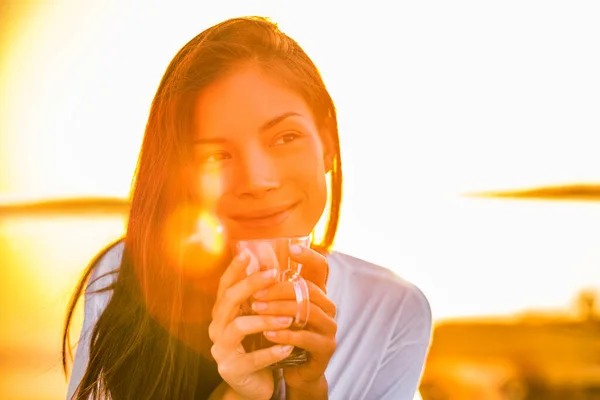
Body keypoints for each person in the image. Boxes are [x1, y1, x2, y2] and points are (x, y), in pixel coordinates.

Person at [62, 16, 432, 400]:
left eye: (285, 137)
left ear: (327, 144)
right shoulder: (128, 272)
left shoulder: (392, 308)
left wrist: (308, 390)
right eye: (216, 156)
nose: (257, 180)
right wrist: (239, 395)